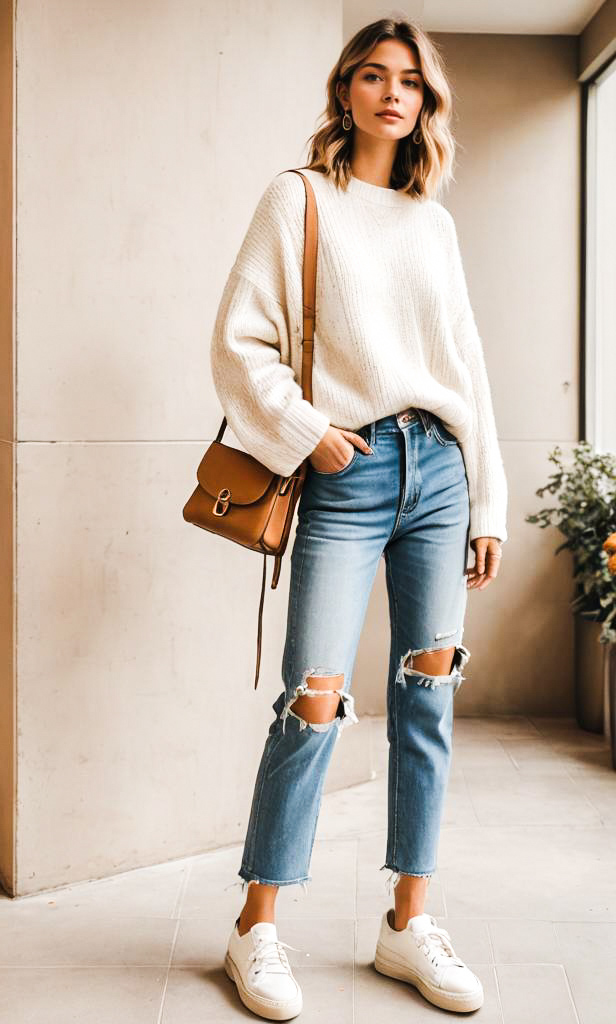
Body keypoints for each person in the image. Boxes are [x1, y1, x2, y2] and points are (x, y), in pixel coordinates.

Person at [210, 16, 507, 1019]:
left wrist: (487, 499)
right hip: (348, 466)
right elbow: (238, 343)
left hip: (440, 472)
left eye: (409, 81)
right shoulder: (297, 198)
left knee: (428, 698)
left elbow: (466, 367)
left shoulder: (433, 221)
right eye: (372, 76)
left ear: (426, 103)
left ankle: (406, 923)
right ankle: (256, 930)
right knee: (314, 698)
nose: (392, 93)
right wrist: (309, 431)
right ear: (345, 92)